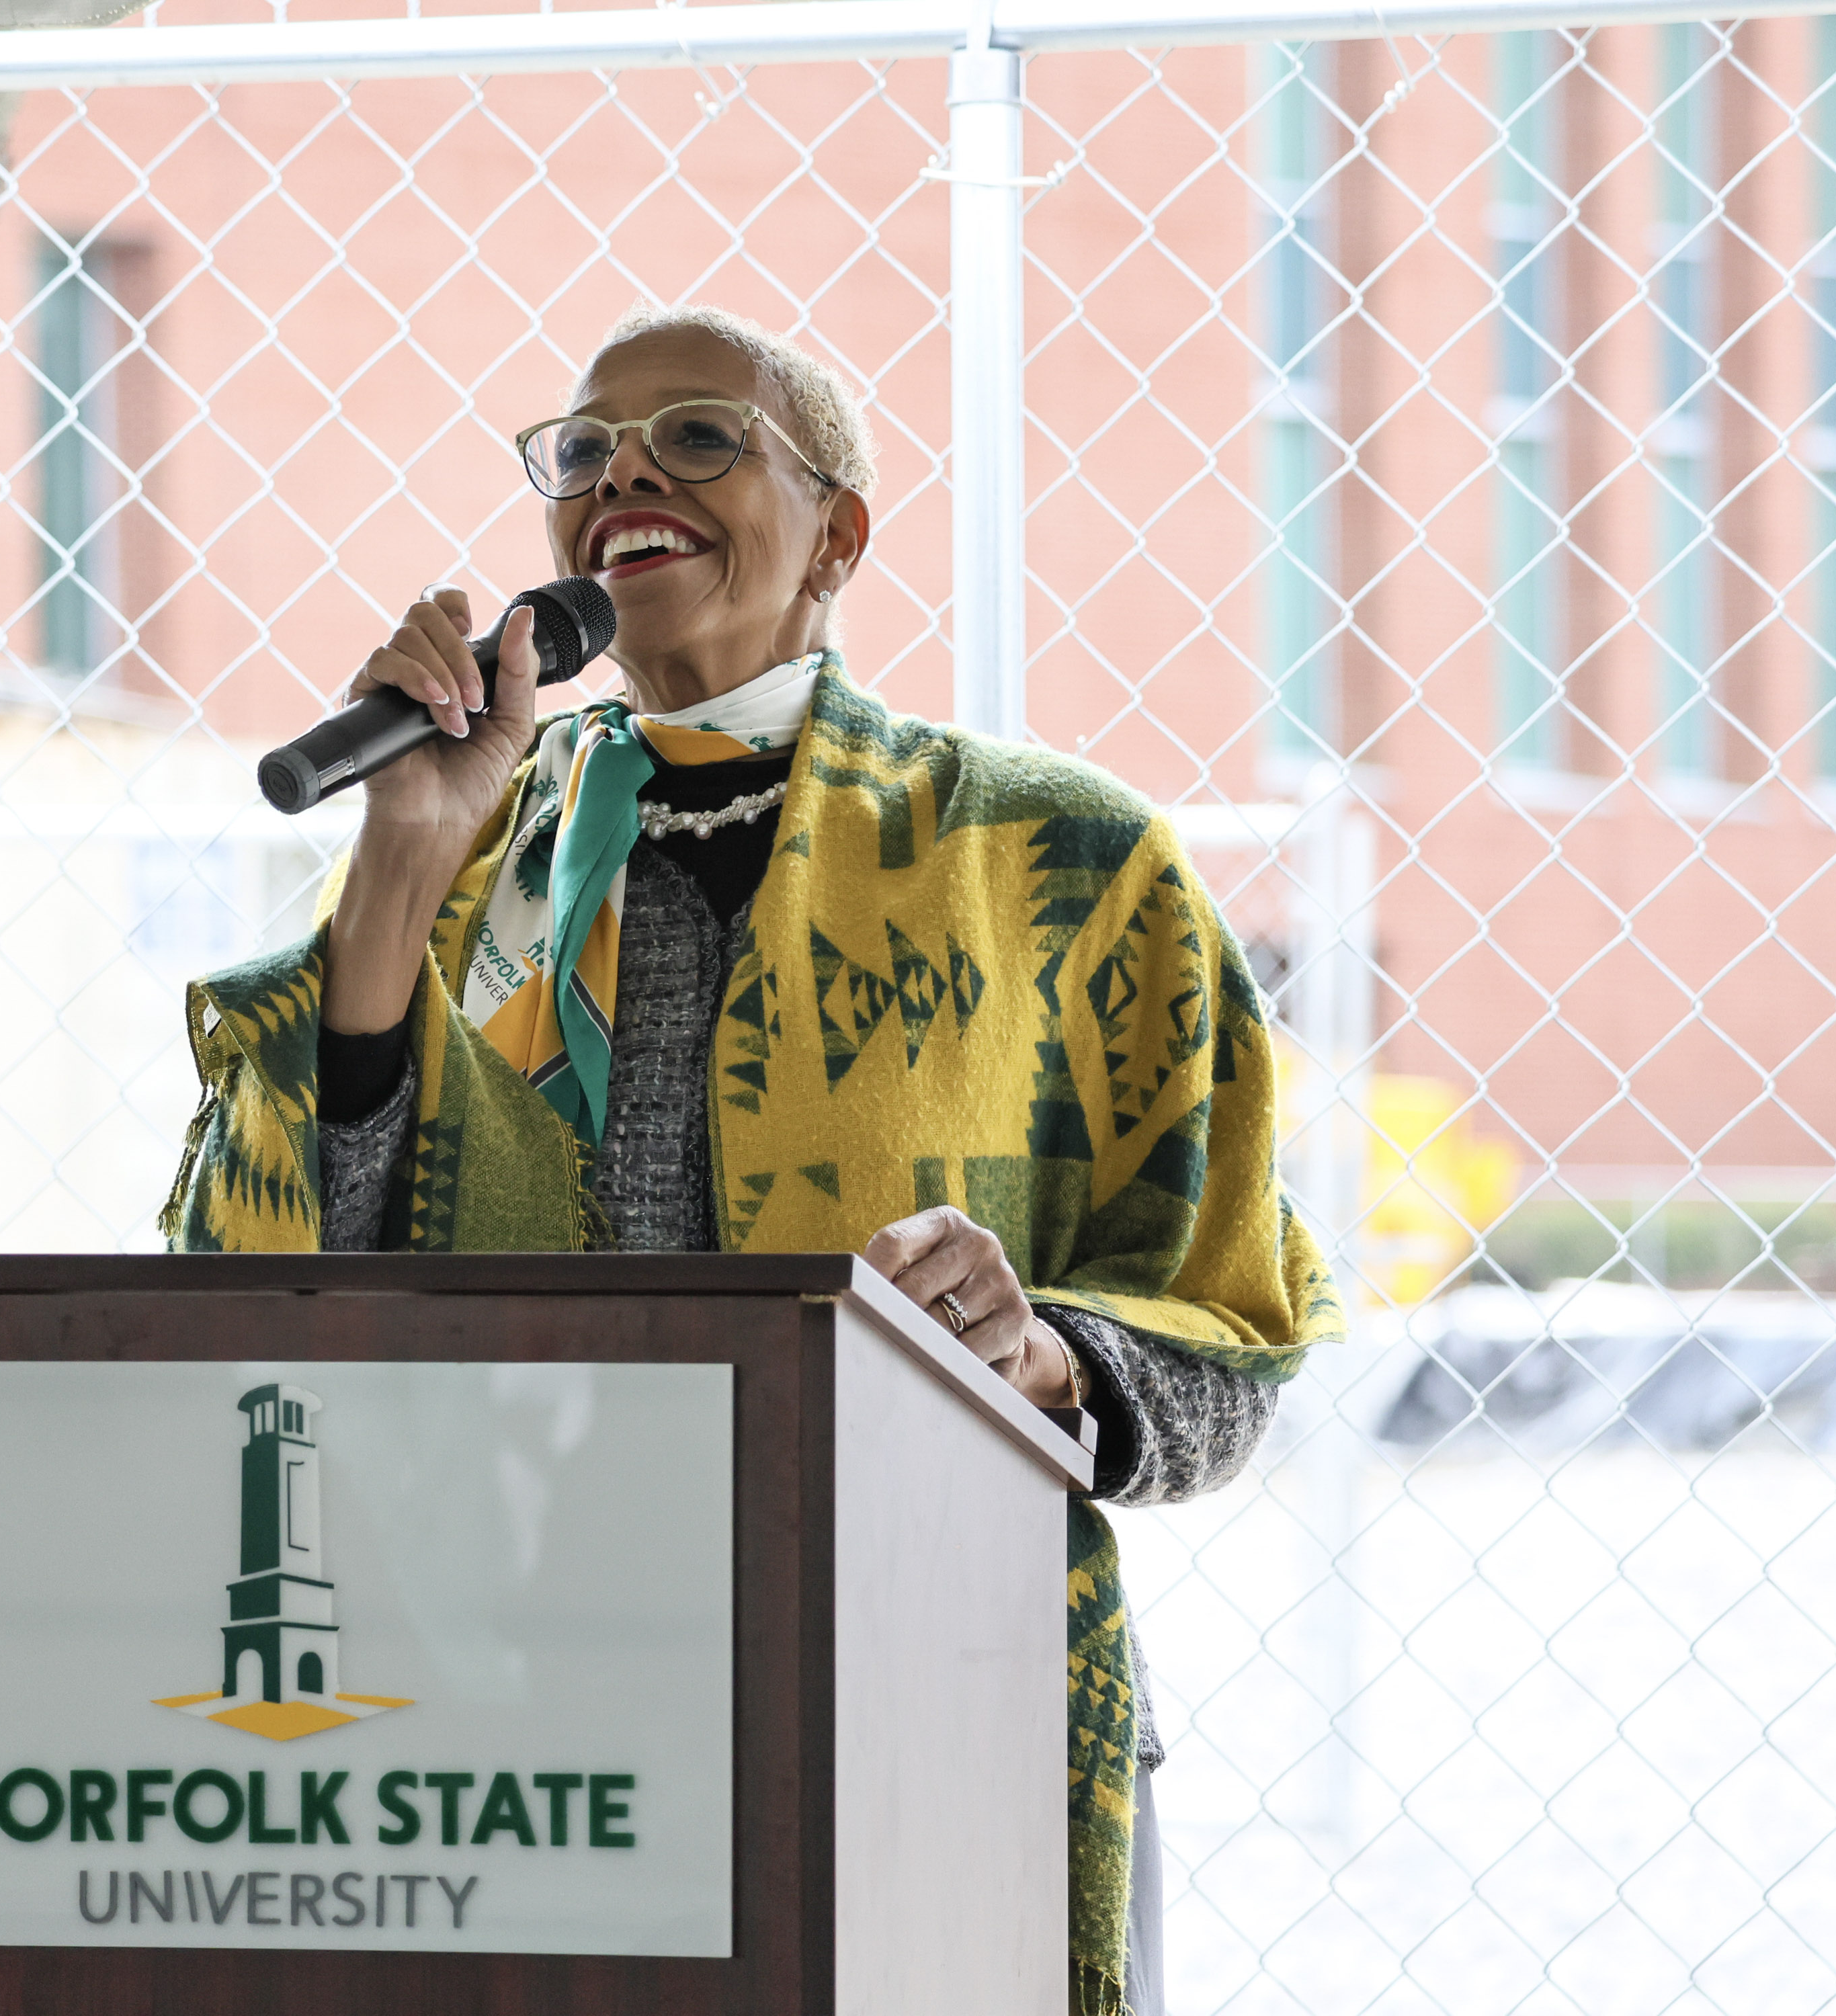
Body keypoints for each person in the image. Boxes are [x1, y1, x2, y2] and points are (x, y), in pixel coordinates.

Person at [168, 302, 1339, 2015]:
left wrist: (1038, 1357)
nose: (625, 476)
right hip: (509, 1743)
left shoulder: (1058, 863)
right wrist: (400, 860)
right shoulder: (466, 854)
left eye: (700, 437)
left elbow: (1231, 1333)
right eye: (586, 452)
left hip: (934, 1697)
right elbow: (270, 1287)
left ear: (839, 534)